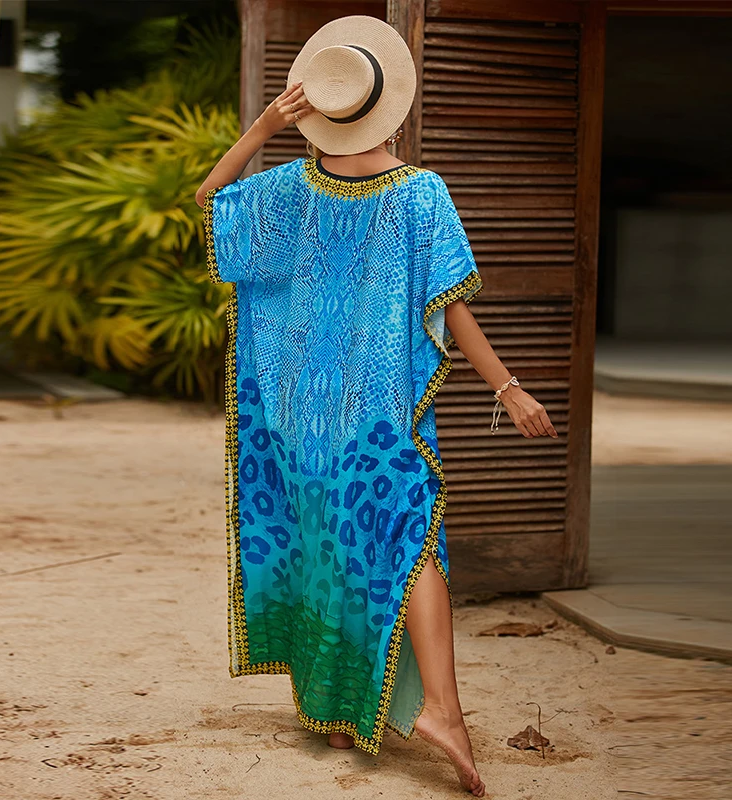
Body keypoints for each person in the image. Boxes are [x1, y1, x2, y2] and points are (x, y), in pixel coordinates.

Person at [195, 15, 557, 798]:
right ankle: (443, 713)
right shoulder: (420, 192)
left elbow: (209, 197)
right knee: (411, 542)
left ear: (318, 111)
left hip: (297, 416)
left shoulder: (288, 190)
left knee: (329, 546)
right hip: (377, 417)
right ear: (389, 104)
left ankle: (337, 711)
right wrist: (508, 385)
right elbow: (450, 305)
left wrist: (265, 125)